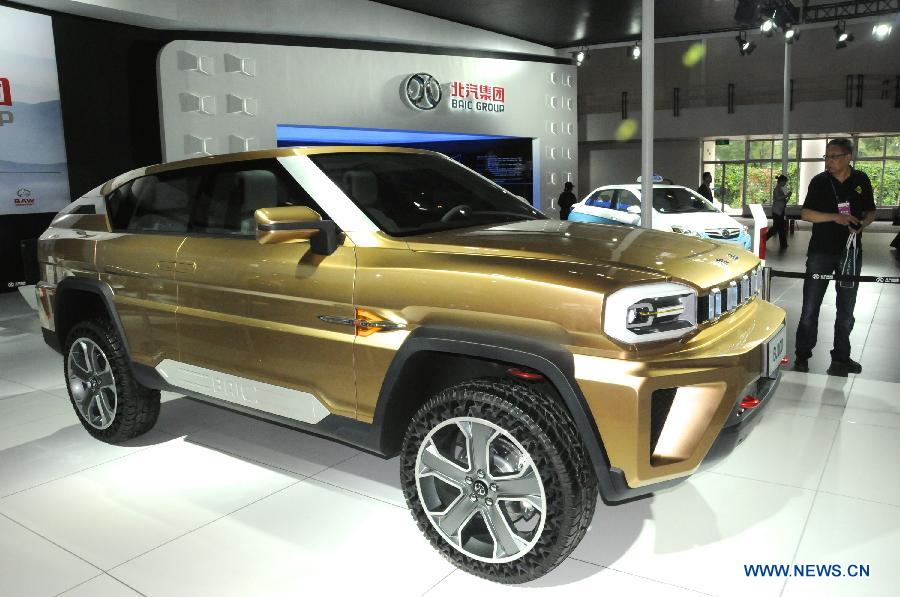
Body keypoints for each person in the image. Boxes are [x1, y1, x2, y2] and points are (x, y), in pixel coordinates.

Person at [794, 138, 876, 376]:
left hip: (850, 252)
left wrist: (862, 224)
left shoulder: (861, 180)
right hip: (820, 252)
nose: (828, 161)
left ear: (848, 157)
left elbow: (871, 211)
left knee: (846, 309)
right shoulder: (819, 181)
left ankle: (841, 357)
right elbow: (806, 214)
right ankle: (802, 355)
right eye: (826, 157)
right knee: (810, 308)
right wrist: (835, 217)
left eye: (833, 156)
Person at [765, 174, 789, 249]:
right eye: (785, 182)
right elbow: (777, 198)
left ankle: (784, 244)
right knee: (776, 228)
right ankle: (764, 238)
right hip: (777, 211)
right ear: (781, 181)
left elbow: (783, 200)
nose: (785, 183)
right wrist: (786, 195)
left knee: (781, 227)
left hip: (780, 211)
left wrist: (788, 197)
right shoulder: (776, 189)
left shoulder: (780, 189)